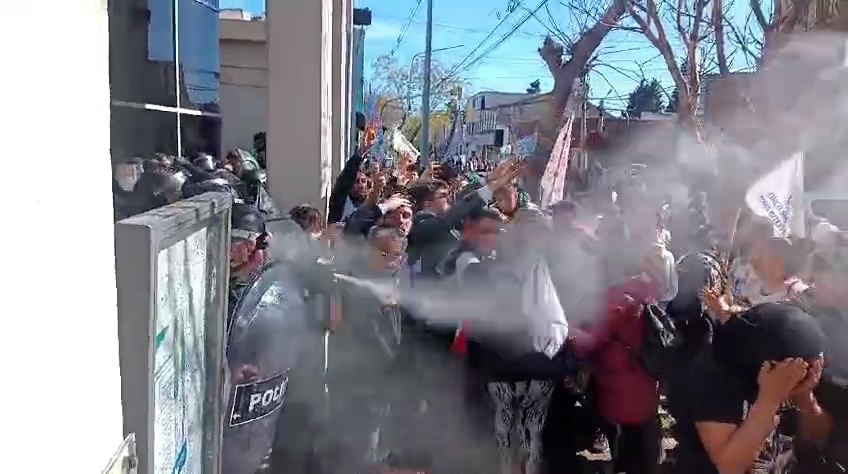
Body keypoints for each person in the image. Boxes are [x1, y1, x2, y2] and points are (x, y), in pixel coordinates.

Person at [672, 303, 825, 473]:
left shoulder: (792, 375)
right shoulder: (714, 377)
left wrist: (805, 396)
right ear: (771, 365)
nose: (808, 373)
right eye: (804, 367)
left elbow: (818, 434)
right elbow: (730, 467)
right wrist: (769, 401)